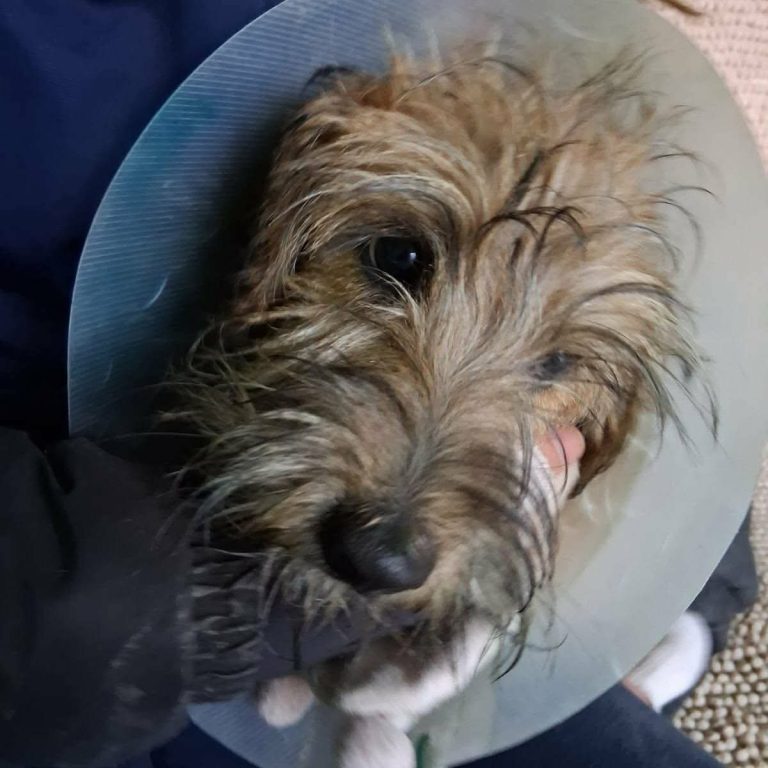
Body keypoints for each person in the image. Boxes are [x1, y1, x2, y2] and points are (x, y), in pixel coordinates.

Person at [0, 2, 756, 766]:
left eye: (553, 364)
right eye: (399, 262)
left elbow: (660, 450)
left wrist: (664, 601)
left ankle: (670, 650)